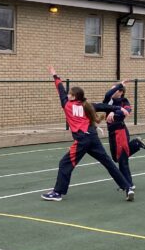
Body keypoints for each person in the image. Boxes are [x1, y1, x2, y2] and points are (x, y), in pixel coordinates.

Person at [42, 65, 133, 202]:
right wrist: (120, 109)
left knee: (64, 163)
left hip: (82, 140)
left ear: (73, 97)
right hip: (93, 138)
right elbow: (105, 106)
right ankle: (128, 187)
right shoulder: (87, 105)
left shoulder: (66, 104)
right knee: (108, 163)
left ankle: (57, 193)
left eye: (70, 94)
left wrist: (55, 76)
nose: (67, 95)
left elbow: (60, 89)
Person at [93, 80, 145, 192]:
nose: (112, 91)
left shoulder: (124, 102)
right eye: (112, 88)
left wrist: (116, 112)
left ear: (120, 92)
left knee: (122, 159)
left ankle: (128, 184)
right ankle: (136, 144)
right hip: (112, 132)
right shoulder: (108, 101)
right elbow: (108, 95)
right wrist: (119, 86)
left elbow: (127, 111)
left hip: (120, 131)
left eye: (115, 89)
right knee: (116, 158)